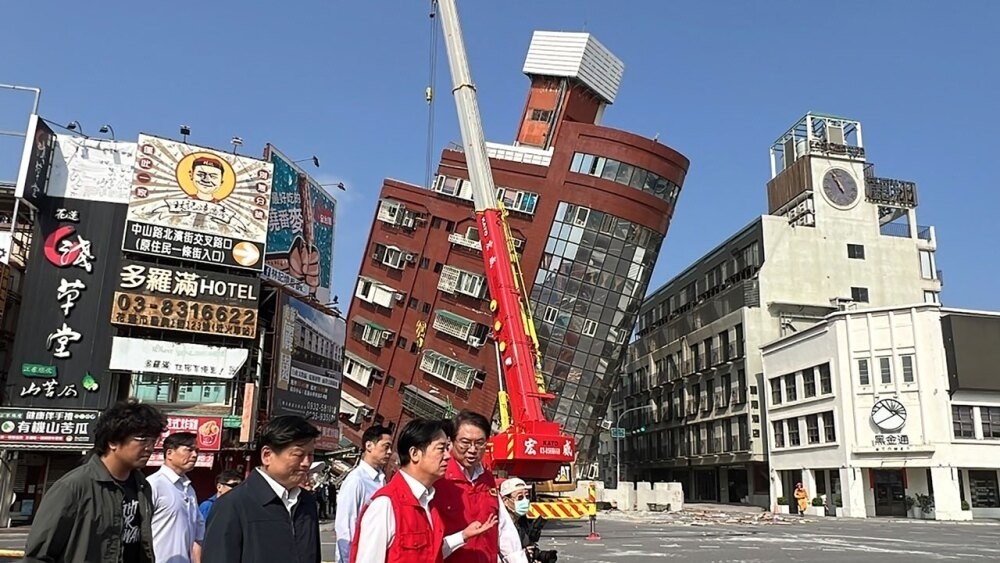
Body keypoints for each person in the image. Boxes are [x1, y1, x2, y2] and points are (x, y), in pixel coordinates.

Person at [24, 399, 167, 563]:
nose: (149, 447)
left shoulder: (142, 487)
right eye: (142, 439)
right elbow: (38, 555)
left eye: (153, 441)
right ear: (113, 441)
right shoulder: (73, 487)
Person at [351, 418, 498, 563]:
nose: (448, 456)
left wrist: (463, 536)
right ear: (415, 453)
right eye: (441, 449)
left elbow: (430, 553)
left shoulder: (427, 502)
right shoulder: (385, 505)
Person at [203, 415, 321, 563]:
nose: (306, 463)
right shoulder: (233, 505)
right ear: (267, 455)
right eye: (298, 455)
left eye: (310, 455)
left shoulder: (306, 502)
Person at [432, 410, 528, 563]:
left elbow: (503, 527)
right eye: (465, 442)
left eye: (479, 443)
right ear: (451, 441)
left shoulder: (487, 479)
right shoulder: (437, 479)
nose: (472, 450)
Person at [335, 424, 392, 562]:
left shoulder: (382, 479)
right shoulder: (356, 480)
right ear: (369, 446)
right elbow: (345, 527)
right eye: (386, 446)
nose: (390, 452)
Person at [148, 432, 204, 563]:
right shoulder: (153, 485)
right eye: (189, 450)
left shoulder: (189, 489)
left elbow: (198, 535)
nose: (195, 455)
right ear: (169, 453)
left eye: (197, 451)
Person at [499, 478, 556, 563]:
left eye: (527, 496)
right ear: (505, 500)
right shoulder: (500, 525)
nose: (525, 500)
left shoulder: (522, 522)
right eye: (520, 497)